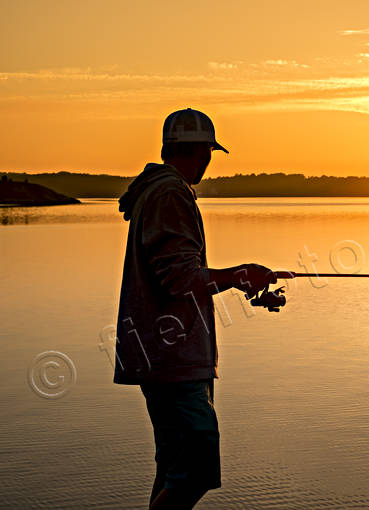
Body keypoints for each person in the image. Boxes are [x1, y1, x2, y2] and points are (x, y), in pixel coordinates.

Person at [115, 108, 281, 509]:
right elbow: (182, 280)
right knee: (197, 467)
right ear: (204, 151)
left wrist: (243, 282)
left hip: (165, 352)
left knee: (174, 465)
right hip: (172, 356)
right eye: (208, 152)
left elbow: (180, 276)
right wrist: (241, 274)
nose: (208, 161)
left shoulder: (161, 191)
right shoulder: (170, 194)